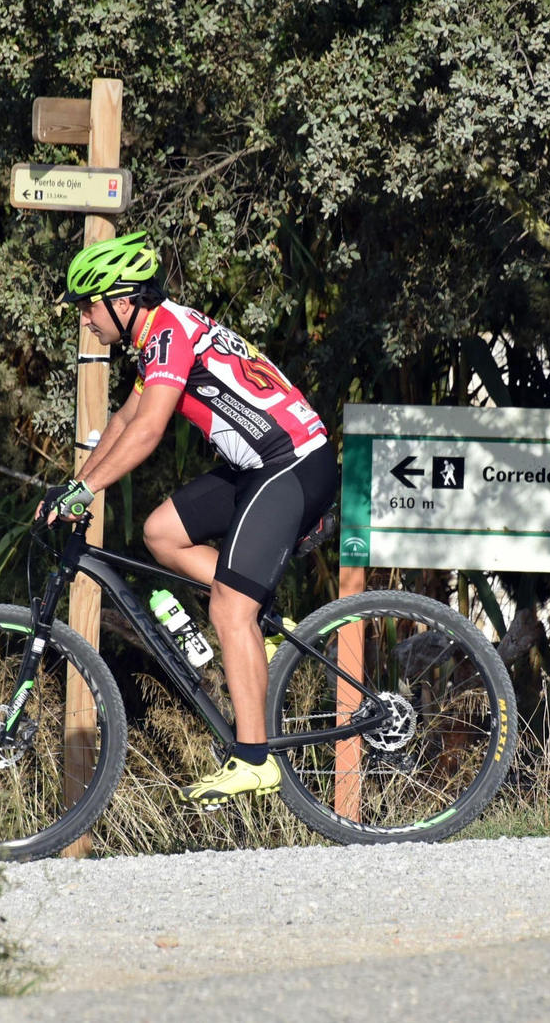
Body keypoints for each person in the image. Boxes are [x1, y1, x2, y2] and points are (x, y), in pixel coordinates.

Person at [39, 231, 338, 807]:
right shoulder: (159, 336)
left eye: (87, 306)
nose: (84, 320)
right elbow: (127, 418)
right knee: (161, 532)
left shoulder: (171, 332)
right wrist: (77, 486)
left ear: (122, 301)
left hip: (292, 463)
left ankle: (255, 759)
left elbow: (150, 432)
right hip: (260, 465)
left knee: (227, 605)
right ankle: (264, 627)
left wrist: (86, 494)